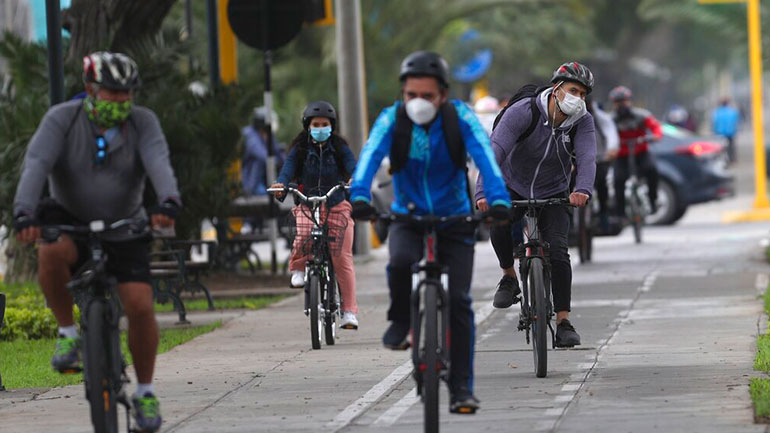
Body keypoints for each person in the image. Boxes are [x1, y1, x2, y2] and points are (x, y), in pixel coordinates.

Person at [13, 52, 180, 432]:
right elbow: (36, 163)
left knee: (139, 305)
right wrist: (24, 213)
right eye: (112, 93)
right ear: (90, 89)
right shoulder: (61, 119)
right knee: (51, 251)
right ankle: (68, 335)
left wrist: (168, 201)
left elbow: (159, 162)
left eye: (126, 94)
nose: (121, 101)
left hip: (125, 222)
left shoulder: (143, 122)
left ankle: (146, 392)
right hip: (70, 217)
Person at [349, 51, 511, 413]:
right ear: (402, 94)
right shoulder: (392, 120)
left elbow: (485, 157)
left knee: (460, 302)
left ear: (442, 95)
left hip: (455, 218)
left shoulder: (460, 119)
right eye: (411, 95)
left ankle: (461, 388)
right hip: (408, 214)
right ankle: (401, 320)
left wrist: (498, 200)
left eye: (427, 96)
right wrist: (359, 195)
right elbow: (370, 156)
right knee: (400, 261)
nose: (418, 103)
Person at [476, 62, 596, 348]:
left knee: (558, 250)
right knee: (500, 220)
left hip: (553, 190)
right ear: (556, 90)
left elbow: (588, 157)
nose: (577, 98)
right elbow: (496, 151)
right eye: (572, 91)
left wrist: (582, 189)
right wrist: (484, 190)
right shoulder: (524, 112)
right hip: (511, 182)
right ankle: (508, 277)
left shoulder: (583, 121)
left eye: (582, 94)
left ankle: (563, 321)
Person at [269, 101, 360, 330]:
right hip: (308, 204)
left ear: (332, 126)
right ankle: (298, 268)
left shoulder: (340, 147)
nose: (320, 128)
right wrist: (281, 183)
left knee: (342, 257)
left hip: (337, 204)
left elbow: (352, 166)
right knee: (303, 235)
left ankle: (349, 311)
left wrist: (354, 179)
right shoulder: (299, 149)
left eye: (324, 124)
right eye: (315, 124)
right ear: (307, 126)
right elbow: (287, 168)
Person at [608, 85, 662, 218]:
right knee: (618, 180)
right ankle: (620, 213)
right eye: (618, 102)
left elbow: (656, 128)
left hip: (641, 153)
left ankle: (652, 200)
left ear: (629, 101)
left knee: (652, 170)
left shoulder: (641, 115)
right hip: (621, 156)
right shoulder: (610, 120)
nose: (621, 105)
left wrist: (654, 136)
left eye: (624, 101)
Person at [587, 95, 619, 231]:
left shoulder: (600, 117)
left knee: (601, 186)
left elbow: (611, 133)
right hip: (576, 160)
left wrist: (611, 149)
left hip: (599, 158)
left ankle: (603, 215)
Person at [241, 106, 284, 197]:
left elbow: (277, 151)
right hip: (253, 182)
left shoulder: (268, 135)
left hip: (267, 180)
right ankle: (254, 190)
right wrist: (277, 161)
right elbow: (262, 155)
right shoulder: (250, 136)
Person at [712, 97, 740, 163]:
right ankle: (732, 160)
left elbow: (715, 122)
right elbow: (736, 122)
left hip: (720, 132)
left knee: (721, 147)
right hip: (730, 132)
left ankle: (722, 160)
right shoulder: (732, 111)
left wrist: (714, 130)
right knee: (731, 147)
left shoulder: (717, 112)